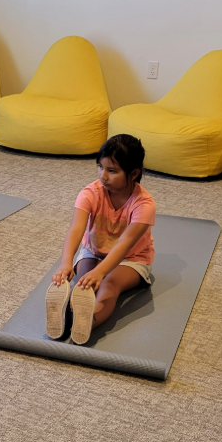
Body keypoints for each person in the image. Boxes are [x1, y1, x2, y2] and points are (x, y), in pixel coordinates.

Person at [46, 134, 156, 344]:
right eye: (100, 167)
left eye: (112, 171)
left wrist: (101, 272)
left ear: (133, 173)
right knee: (83, 285)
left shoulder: (144, 205)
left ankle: (88, 322)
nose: (102, 176)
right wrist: (66, 263)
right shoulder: (90, 192)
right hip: (94, 250)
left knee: (109, 284)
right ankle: (67, 317)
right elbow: (76, 228)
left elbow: (125, 245)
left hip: (131, 259)